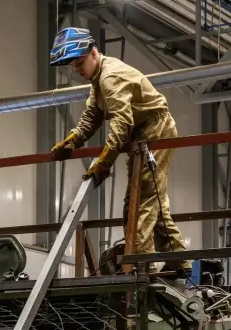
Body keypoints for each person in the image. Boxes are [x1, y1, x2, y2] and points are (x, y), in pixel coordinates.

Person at [48, 26, 189, 274]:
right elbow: (93, 115)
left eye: (79, 62)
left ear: (94, 53)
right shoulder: (98, 79)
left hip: (155, 128)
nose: (77, 69)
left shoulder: (109, 77)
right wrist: (72, 140)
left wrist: (104, 162)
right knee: (150, 198)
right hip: (143, 132)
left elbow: (121, 123)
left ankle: (142, 267)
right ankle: (179, 261)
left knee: (142, 198)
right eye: (73, 65)